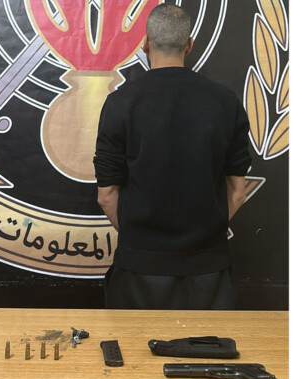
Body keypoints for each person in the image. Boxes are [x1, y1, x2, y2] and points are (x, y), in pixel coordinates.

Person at [93, 4, 252, 310]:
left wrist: (142, 240)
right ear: (189, 45)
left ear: (145, 44)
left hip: (138, 271)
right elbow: (237, 192)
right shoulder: (226, 102)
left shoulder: (119, 103)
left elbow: (106, 195)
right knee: (211, 344)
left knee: (133, 344)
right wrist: (205, 232)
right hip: (209, 272)